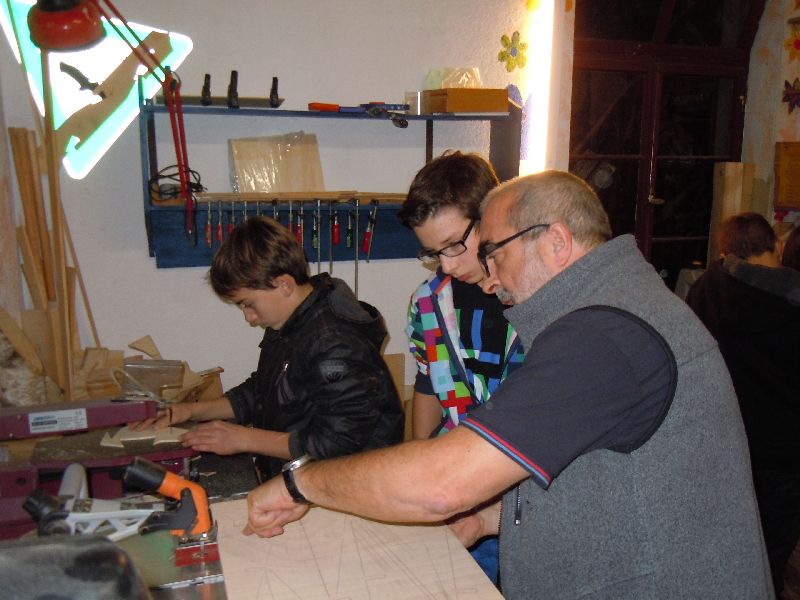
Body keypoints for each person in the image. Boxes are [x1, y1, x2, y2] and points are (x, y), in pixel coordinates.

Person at [242, 171, 772, 599]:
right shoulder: (615, 307)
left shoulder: (603, 337)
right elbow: (594, 474)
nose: (490, 277)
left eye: (494, 253)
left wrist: (301, 482)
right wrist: (487, 518)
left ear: (557, 242)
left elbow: (441, 483)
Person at [135, 216, 404, 481]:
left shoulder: (334, 342)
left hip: (351, 483)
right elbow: (263, 391)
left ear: (283, 284)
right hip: (307, 477)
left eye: (248, 304)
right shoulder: (291, 321)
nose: (248, 318)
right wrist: (190, 412)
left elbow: (337, 443)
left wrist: (245, 439)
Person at [398, 151, 524, 582]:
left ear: (491, 216)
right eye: (433, 253)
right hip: (461, 489)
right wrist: (420, 466)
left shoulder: (534, 298)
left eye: (455, 245)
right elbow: (427, 383)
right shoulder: (428, 303)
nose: (447, 265)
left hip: (526, 495)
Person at [686, 212, 800, 598]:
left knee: (725, 548)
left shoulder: (706, 289)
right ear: (776, 246)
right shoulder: (791, 300)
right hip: (784, 454)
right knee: (772, 556)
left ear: (726, 250)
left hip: (723, 442)